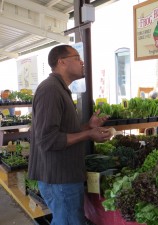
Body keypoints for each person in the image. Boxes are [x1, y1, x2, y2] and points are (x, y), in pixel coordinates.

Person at [28, 45, 112, 225]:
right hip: (60, 180)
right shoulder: (50, 90)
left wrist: (87, 126)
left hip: (63, 178)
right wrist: (89, 134)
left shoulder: (59, 89)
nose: (82, 62)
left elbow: (62, 131)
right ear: (62, 62)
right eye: (77, 57)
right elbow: (48, 139)